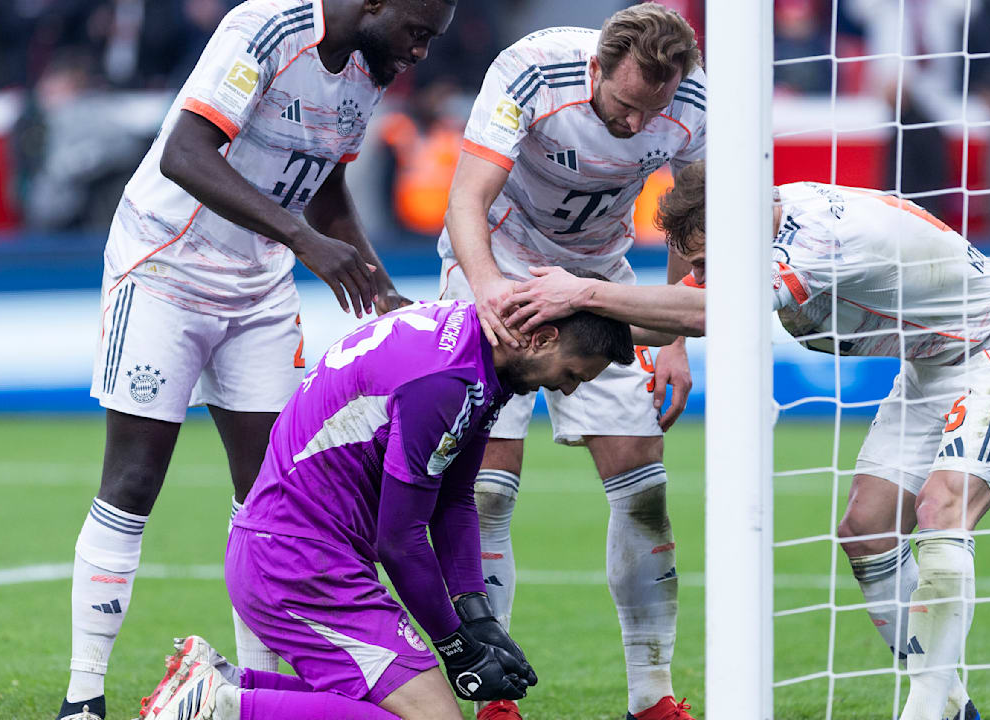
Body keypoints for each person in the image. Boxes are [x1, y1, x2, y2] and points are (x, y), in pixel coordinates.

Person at [502, 159, 990, 720]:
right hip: (930, 367)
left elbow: (707, 314)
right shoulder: (759, 223)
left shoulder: (821, 237)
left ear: (737, 226)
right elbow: (681, 314)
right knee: (867, 532)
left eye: (704, 262)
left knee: (942, 509)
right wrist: (560, 311)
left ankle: (924, 711)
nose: (701, 274)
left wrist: (585, 293)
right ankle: (954, 707)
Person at [58, 2, 456, 719]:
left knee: (273, 500)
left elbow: (325, 179)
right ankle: (83, 695)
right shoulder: (265, 28)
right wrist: (304, 242)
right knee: (134, 478)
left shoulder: (367, 68)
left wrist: (379, 284)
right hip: (164, 268)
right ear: (374, 3)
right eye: (418, 31)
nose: (421, 52)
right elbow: (184, 153)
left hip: (259, 283)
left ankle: (250, 693)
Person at [136, 298, 635, 720]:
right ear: (542, 338)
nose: (568, 388)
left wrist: (477, 617)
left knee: (404, 705)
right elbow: (399, 540)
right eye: (571, 374)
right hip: (298, 566)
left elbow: (455, 499)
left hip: (301, 554)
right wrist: (455, 645)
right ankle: (224, 708)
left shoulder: (479, 353)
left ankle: (223, 682)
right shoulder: (447, 379)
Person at [439, 5, 705, 719]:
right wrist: (490, 292)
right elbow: (467, 196)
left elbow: (689, 213)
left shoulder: (693, 102)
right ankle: (494, 699)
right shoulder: (531, 69)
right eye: (622, 105)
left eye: (651, 110)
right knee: (485, 494)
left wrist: (673, 336)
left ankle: (653, 699)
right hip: (498, 266)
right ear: (594, 70)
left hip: (598, 279)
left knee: (644, 491)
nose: (634, 126)